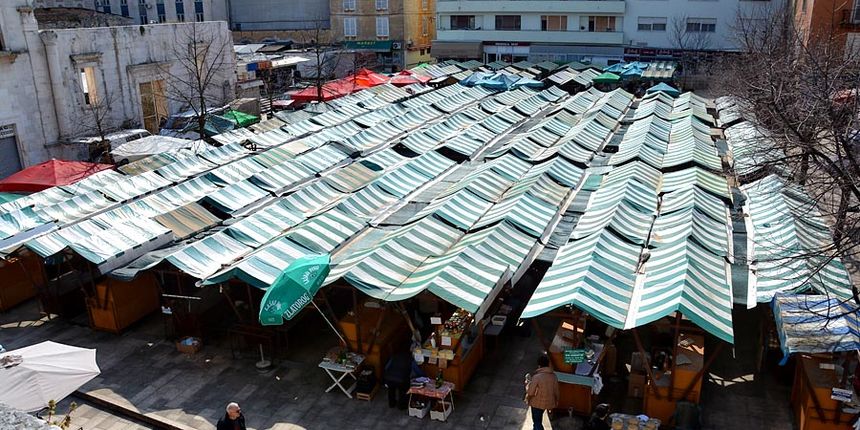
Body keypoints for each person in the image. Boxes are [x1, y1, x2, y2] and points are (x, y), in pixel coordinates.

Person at [525, 354, 559, 430]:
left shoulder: (536, 377)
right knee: (538, 421)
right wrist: (556, 401)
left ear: (539, 365)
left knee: (537, 422)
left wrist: (527, 384)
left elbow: (530, 392)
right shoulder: (554, 376)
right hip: (548, 403)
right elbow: (556, 391)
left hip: (536, 403)